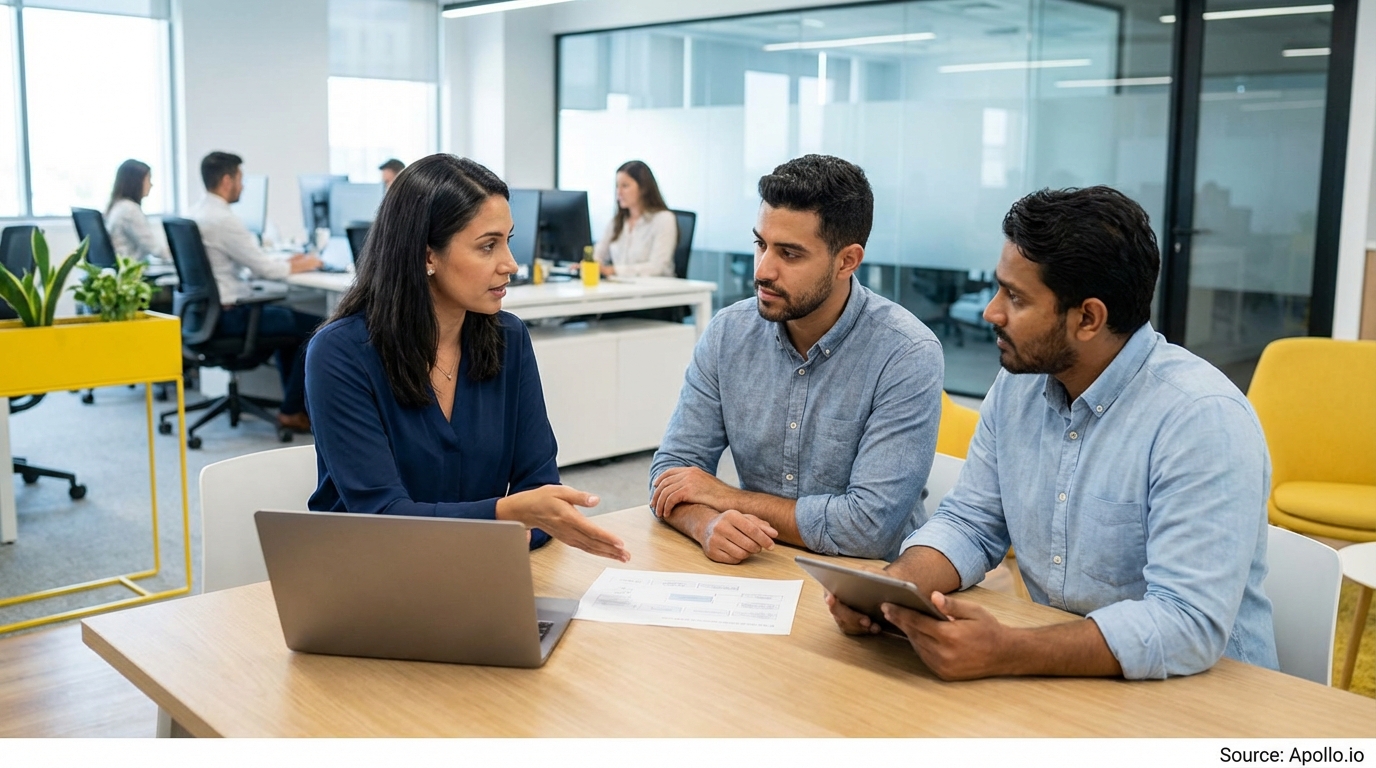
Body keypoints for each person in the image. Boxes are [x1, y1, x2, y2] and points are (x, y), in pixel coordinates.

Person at [826, 186, 1278, 682]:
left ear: (1088, 318)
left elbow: (1185, 622)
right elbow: (972, 522)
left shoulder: (1201, 419)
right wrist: (891, 594)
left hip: (1205, 699)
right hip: (1070, 678)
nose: (991, 313)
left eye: (1015, 297)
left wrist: (1008, 651)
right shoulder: (1018, 388)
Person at [305, 154, 630, 562]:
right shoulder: (341, 354)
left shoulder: (509, 338)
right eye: (487, 246)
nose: (511, 264)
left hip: (480, 571)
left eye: (508, 241)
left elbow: (540, 489)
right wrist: (505, 516)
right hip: (369, 580)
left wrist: (517, 527)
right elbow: (382, 518)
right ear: (427, 256)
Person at [648, 154, 944, 564]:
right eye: (760, 244)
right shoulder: (729, 332)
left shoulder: (905, 353)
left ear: (847, 261)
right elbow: (673, 472)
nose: (763, 270)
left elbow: (867, 530)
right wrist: (705, 523)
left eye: (789, 254)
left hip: (866, 585)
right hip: (759, 567)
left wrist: (723, 497)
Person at [189, 151, 322, 433]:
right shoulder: (223, 220)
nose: (243, 186)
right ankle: (291, 410)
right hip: (231, 316)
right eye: (240, 179)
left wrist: (288, 262)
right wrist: (306, 263)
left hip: (206, 315)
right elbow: (266, 271)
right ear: (227, 180)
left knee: (291, 330)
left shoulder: (198, 212)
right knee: (317, 329)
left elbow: (250, 265)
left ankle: (293, 408)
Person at [589, 160, 677, 278]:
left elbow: (657, 267)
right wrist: (589, 265)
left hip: (656, 291)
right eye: (617, 186)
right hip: (623, 288)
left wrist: (613, 270)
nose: (618, 192)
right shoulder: (617, 222)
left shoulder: (664, 219)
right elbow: (599, 255)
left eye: (625, 186)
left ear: (643, 188)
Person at [105, 159, 170, 263]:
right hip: (131, 271)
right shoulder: (129, 210)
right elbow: (154, 248)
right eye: (148, 179)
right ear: (137, 182)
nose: (151, 185)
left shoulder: (118, 206)